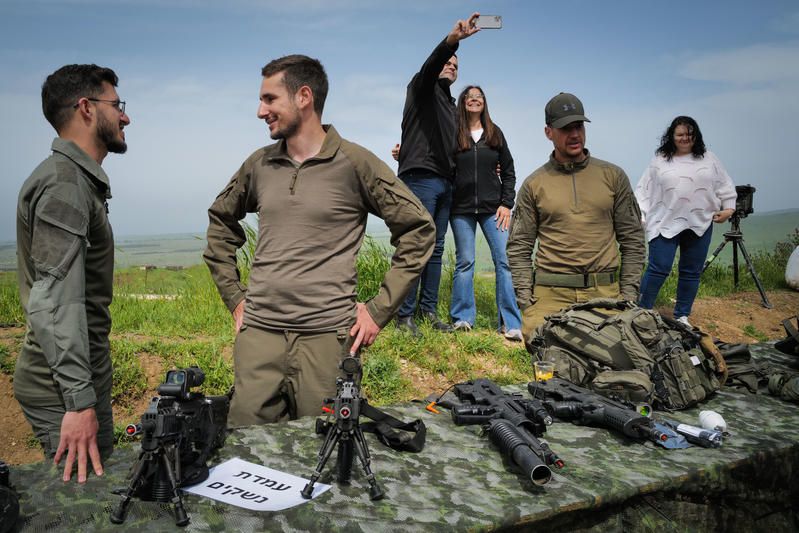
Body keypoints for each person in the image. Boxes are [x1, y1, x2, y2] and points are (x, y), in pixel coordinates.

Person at [203, 55, 435, 427]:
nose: (261, 111)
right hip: (259, 336)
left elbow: (418, 229)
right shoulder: (259, 164)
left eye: (269, 99)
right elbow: (220, 219)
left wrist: (378, 310)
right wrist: (234, 296)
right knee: (246, 453)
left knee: (325, 454)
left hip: (327, 340)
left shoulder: (355, 162)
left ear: (303, 97)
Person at [15, 64, 131, 483]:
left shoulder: (78, 182)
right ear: (86, 108)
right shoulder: (65, 185)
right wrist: (79, 403)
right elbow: (55, 300)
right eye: (117, 105)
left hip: (75, 378)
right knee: (87, 501)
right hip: (61, 387)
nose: (125, 117)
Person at [507, 92, 645, 344]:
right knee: (550, 368)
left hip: (605, 295)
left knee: (611, 370)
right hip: (550, 295)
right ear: (549, 132)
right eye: (565, 128)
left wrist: (627, 296)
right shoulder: (534, 184)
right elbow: (518, 247)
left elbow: (633, 240)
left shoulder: (613, 176)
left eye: (579, 126)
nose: (575, 134)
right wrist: (527, 303)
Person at [394, 13, 481, 337]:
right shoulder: (423, 85)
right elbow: (433, 63)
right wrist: (451, 42)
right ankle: (403, 316)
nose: (451, 67)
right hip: (421, 179)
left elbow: (453, 147)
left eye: (456, 66)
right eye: (449, 63)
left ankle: (427, 310)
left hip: (444, 182)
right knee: (416, 245)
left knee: (435, 249)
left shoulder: (448, 103)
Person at [635, 116, 736, 327]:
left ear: (696, 135)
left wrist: (728, 208)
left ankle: (682, 315)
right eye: (680, 134)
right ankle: (641, 311)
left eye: (689, 134)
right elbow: (644, 190)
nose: (685, 138)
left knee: (691, 271)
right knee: (658, 267)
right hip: (665, 221)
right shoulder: (660, 160)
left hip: (699, 221)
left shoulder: (709, 158)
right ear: (671, 136)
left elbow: (724, 183)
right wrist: (641, 216)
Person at [448, 85, 523, 340]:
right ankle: (462, 318)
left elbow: (509, 170)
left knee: (504, 261)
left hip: (494, 208)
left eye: (479, 97)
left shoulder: (494, 132)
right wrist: (403, 155)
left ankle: (510, 323)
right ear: (463, 103)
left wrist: (506, 203)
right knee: (465, 261)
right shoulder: (454, 133)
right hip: (461, 208)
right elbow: (439, 163)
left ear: (484, 103)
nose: (474, 100)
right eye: (469, 97)